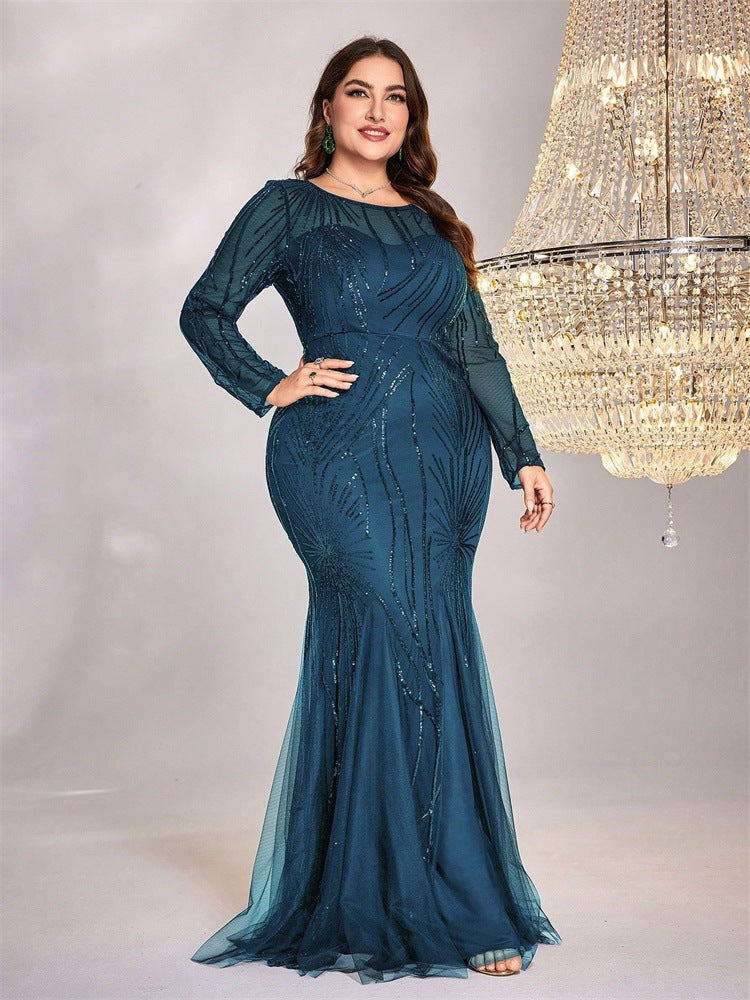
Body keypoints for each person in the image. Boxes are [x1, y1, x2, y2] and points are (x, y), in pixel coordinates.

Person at [179, 35, 561, 985]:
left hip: (444, 465)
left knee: (435, 641)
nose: (378, 111)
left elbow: (474, 349)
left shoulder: (432, 221)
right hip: (334, 458)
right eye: (359, 92)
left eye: (396, 97)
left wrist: (521, 453)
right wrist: (270, 382)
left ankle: (453, 887)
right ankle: (383, 896)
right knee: (385, 632)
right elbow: (205, 309)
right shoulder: (285, 207)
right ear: (328, 109)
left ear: (410, 118)